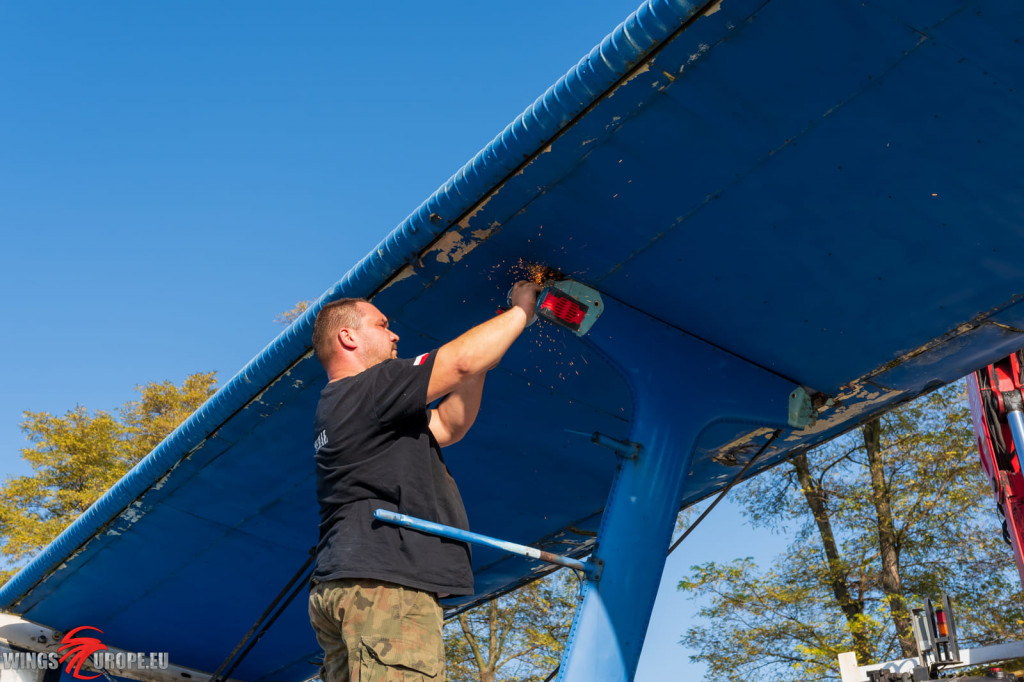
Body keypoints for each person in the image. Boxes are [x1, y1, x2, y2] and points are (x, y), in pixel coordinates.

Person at [308, 281, 542, 682]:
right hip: (385, 584)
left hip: (346, 581)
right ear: (348, 337)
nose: (394, 335)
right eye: (382, 325)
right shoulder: (370, 385)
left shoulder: (345, 405)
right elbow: (460, 362)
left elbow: (448, 425)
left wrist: (484, 361)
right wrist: (521, 311)